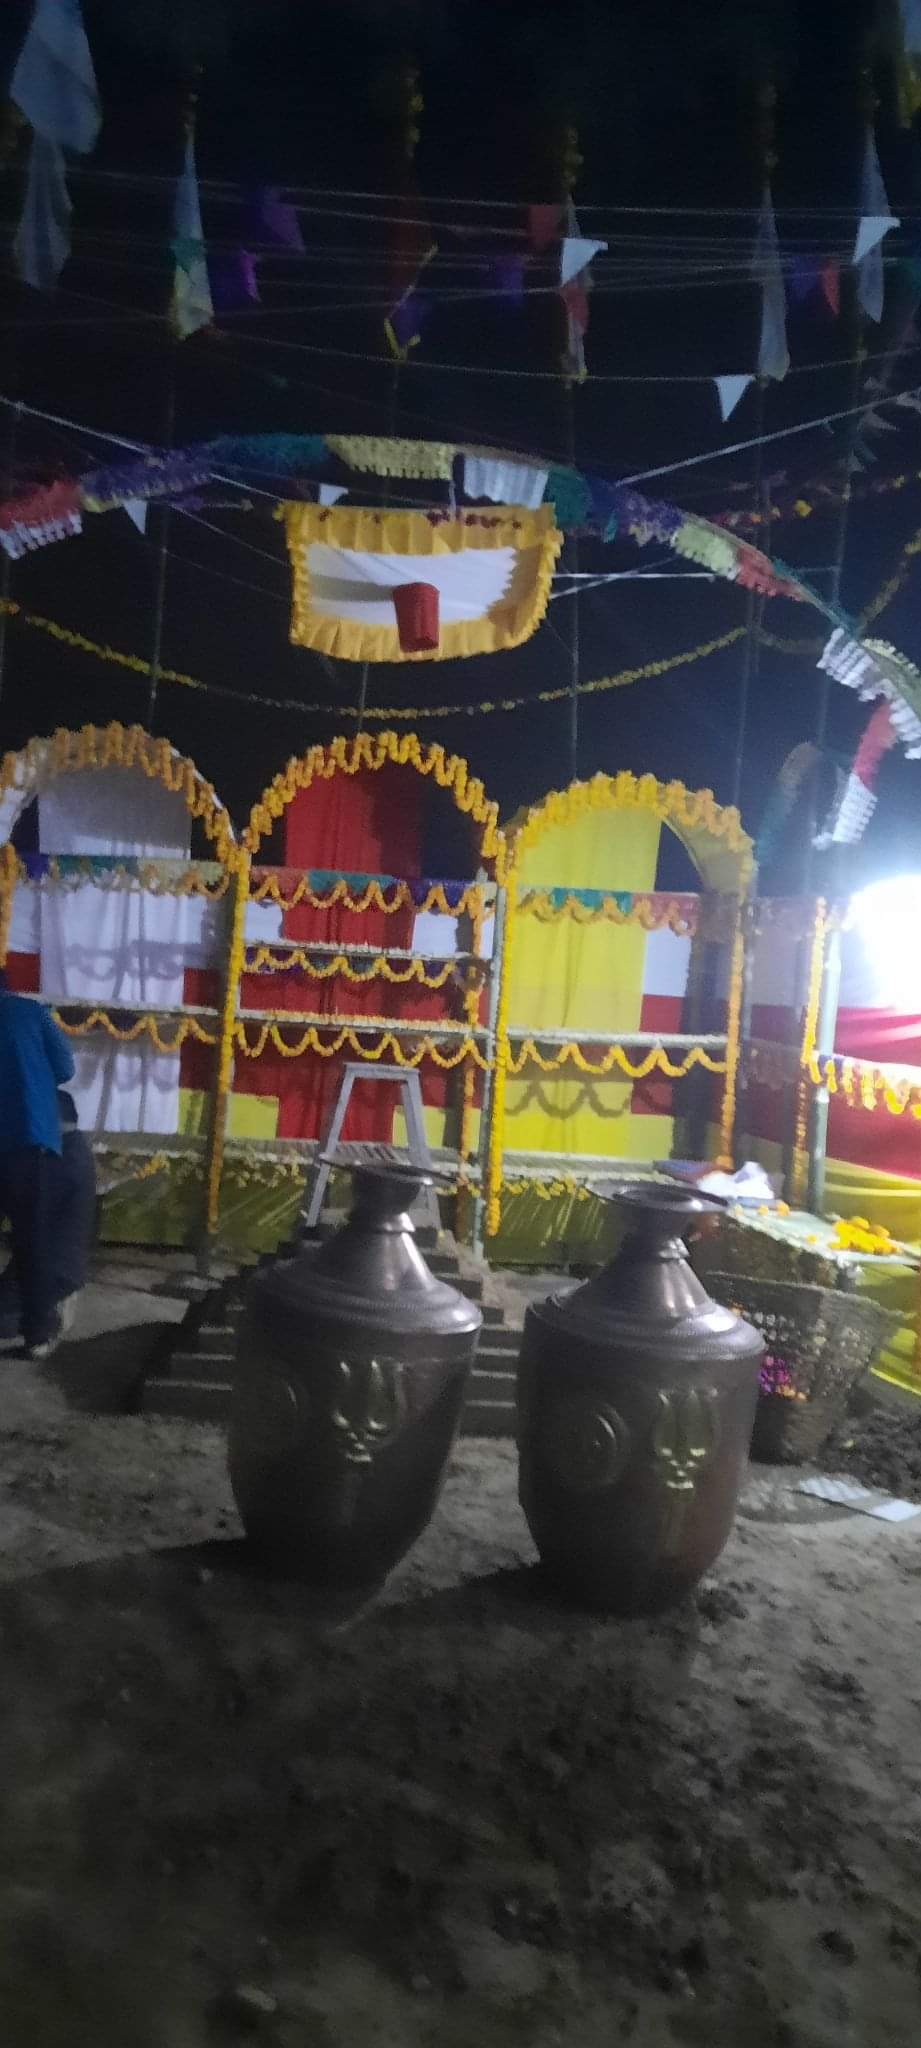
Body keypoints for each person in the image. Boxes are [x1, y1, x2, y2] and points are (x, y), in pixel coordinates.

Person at [0, 969, 76, 1358]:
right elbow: (65, 1068)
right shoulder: (31, 1013)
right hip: (30, 1140)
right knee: (34, 1242)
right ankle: (38, 1336)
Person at [0, 1089, 96, 1346]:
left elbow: (26, 1204)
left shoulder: (59, 1161)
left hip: (50, 1269)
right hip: (46, 1263)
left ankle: (49, 1319)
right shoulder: (72, 1150)